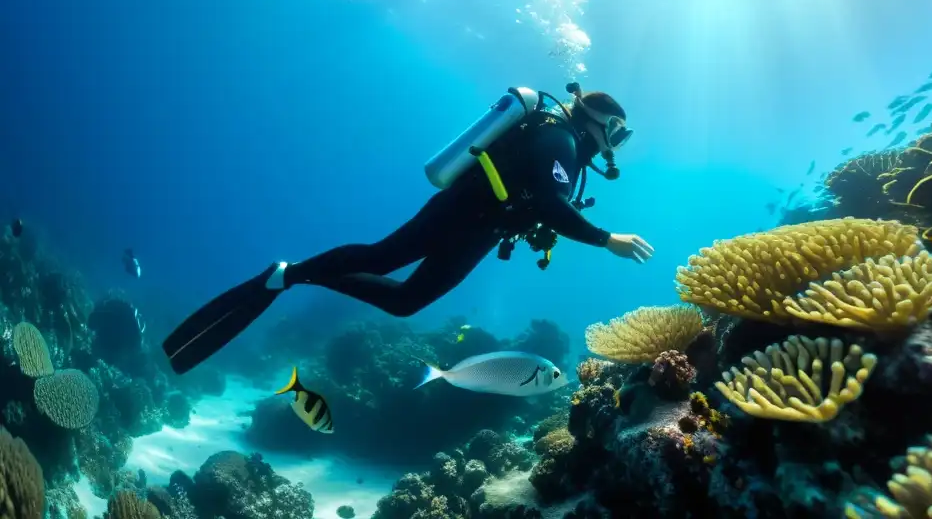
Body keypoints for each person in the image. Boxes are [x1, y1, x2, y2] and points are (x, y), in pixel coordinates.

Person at [163, 83, 654, 375]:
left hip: (480, 230)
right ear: (596, 120)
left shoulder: (560, 143)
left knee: (404, 301)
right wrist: (606, 239)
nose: (614, 146)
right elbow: (551, 204)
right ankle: (287, 275)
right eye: (616, 133)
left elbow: (545, 204)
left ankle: (290, 274)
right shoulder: (559, 139)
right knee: (380, 257)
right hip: (462, 211)